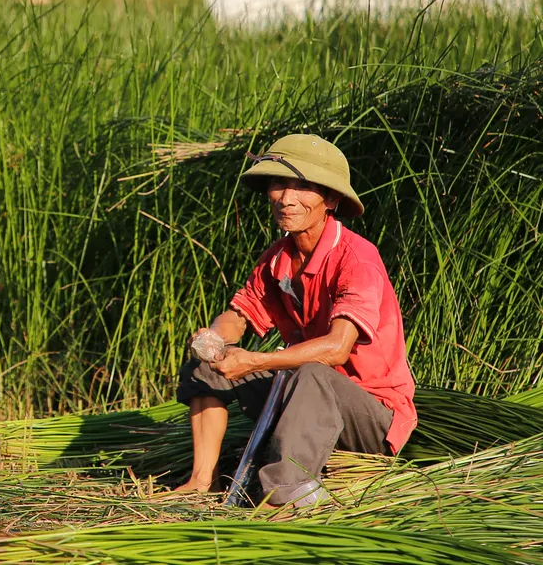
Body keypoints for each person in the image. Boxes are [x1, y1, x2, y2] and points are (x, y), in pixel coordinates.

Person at [175, 134, 417, 507]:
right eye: (278, 184)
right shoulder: (278, 259)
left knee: (313, 373)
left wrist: (254, 361)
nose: (287, 199)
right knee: (205, 366)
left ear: (331, 200)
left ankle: (286, 495)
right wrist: (213, 339)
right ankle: (200, 480)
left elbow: (336, 350)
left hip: (371, 414)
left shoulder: (357, 259)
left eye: (302, 187)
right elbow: (240, 315)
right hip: (301, 394)